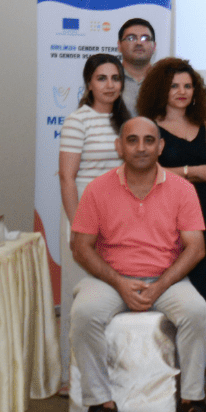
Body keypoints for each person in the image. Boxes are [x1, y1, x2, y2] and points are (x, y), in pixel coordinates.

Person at [70, 117, 206, 412]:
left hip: (167, 278)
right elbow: (81, 248)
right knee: (83, 313)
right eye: (132, 140)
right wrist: (120, 283)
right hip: (111, 278)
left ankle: (192, 399)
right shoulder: (97, 189)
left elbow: (195, 249)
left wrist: (160, 285)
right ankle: (100, 405)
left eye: (149, 140)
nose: (141, 147)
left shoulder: (182, 189)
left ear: (160, 146)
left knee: (196, 312)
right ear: (119, 146)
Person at [58, 53, 131, 374]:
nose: (110, 85)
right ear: (89, 83)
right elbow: (66, 177)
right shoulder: (78, 120)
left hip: (117, 221)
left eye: (115, 78)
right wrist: (77, 228)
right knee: (79, 296)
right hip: (84, 220)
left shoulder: (125, 121)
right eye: (102, 78)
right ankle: (70, 375)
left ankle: (109, 369)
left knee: (111, 295)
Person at [137, 58, 206, 317]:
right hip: (165, 214)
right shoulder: (150, 127)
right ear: (161, 90)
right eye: (174, 86)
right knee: (169, 281)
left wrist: (193, 174)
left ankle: (205, 350)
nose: (182, 92)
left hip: (203, 211)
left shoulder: (204, 125)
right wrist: (192, 172)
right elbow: (144, 171)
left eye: (187, 86)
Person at [116, 18, 157, 113]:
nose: (139, 43)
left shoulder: (166, 79)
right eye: (131, 38)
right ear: (119, 46)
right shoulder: (109, 79)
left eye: (145, 38)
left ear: (154, 46)